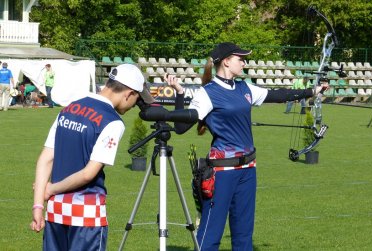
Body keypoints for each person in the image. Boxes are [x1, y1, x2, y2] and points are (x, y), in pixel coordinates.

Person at [164, 42, 328, 251]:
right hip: (222, 172)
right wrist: (179, 92)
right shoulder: (208, 93)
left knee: (243, 235)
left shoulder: (244, 88)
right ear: (226, 61)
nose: (244, 62)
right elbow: (179, 127)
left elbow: (278, 95)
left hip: (248, 170)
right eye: (240, 59)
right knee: (210, 235)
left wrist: (312, 91)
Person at [30, 64, 154, 250]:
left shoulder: (70, 108)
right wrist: (51, 189)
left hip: (55, 213)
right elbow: (88, 173)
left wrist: (38, 205)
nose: (134, 105)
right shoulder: (112, 122)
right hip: (87, 216)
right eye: (136, 99)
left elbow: (45, 159)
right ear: (128, 93)